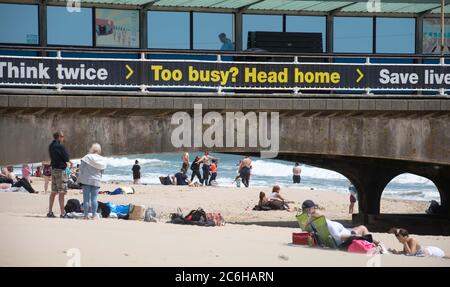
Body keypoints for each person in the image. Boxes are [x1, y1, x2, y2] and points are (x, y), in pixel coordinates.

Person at [301, 199, 370, 247]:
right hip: (344, 238)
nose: (316, 209)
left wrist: (308, 220)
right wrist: (355, 237)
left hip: (343, 232)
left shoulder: (313, 221)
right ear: (310, 209)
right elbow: (338, 237)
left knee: (356, 228)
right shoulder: (315, 216)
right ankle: (371, 243)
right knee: (362, 228)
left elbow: (305, 227)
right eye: (314, 208)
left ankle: (371, 241)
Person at [78, 143, 107, 220]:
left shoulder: (87, 157)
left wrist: (80, 178)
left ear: (92, 149)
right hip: (96, 180)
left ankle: (86, 216)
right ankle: (94, 215)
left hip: (86, 179)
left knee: (86, 199)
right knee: (94, 198)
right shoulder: (102, 159)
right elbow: (102, 171)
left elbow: (81, 169)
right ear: (99, 150)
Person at [48, 131, 70, 218]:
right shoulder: (60, 146)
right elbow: (67, 158)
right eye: (63, 136)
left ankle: (50, 211)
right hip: (61, 170)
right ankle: (62, 213)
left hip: (53, 169)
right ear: (59, 137)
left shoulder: (50, 146)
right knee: (61, 192)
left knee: (53, 191)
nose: (63, 138)